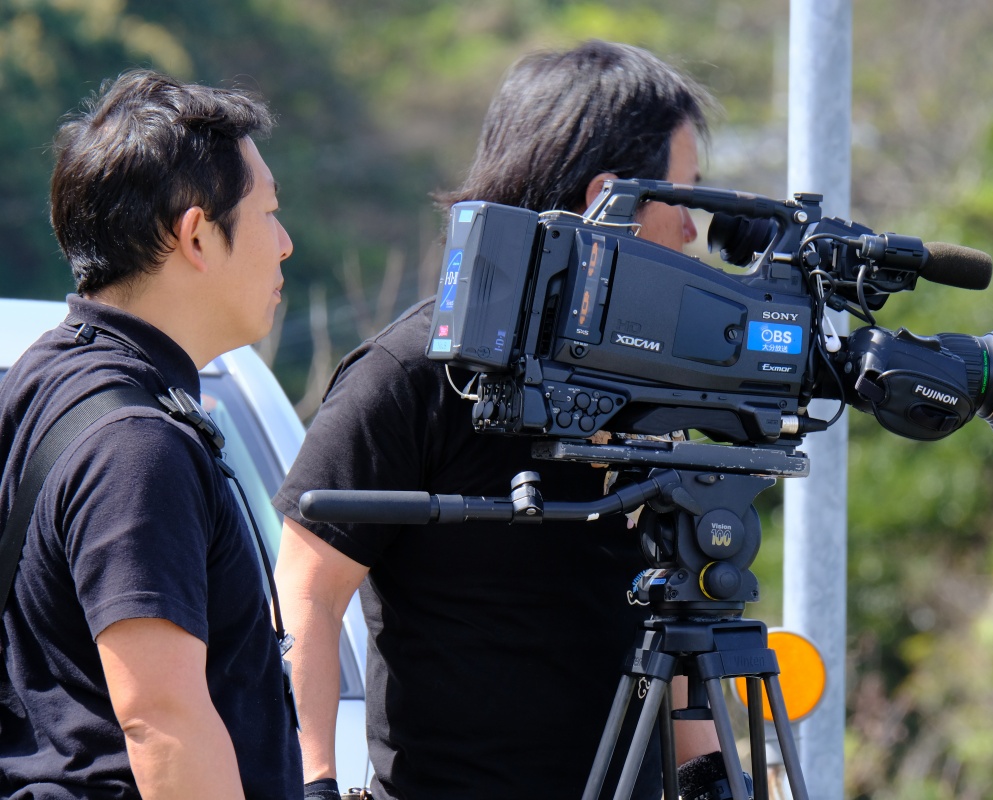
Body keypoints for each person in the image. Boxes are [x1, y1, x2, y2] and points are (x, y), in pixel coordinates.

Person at [273, 40, 721, 800]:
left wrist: (711, 778)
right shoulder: (411, 372)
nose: (694, 231)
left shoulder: (646, 386)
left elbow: (669, 622)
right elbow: (305, 594)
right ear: (607, 199)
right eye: (685, 196)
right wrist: (313, 787)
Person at [0, 71, 301, 798]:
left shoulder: (42, 376)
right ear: (195, 235)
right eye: (268, 214)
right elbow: (161, 722)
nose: (286, 245)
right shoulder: (137, 445)